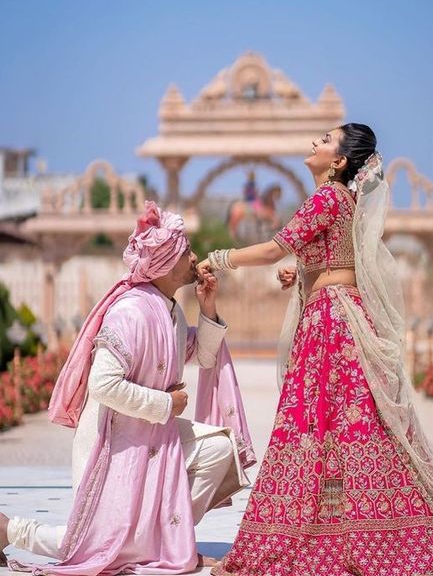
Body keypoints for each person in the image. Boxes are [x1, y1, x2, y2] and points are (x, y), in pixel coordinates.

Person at [198, 123, 433, 575]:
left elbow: (272, 250)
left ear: (339, 162)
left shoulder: (327, 197)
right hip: (339, 315)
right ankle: (385, 537)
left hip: (332, 323)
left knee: (314, 427)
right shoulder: (344, 203)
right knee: (353, 429)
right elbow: (330, 260)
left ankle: (325, 536)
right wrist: (300, 275)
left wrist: (219, 258)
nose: (315, 143)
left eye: (325, 141)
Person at [0, 202, 255, 575]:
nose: (194, 258)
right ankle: (10, 529)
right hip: (113, 442)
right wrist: (164, 403)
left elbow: (201, 356)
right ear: (166, 263)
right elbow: (104, 385)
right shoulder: (131, 312)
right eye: (186, 252)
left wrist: (209, 310)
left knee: (219, 448)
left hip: (152, 435)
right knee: (102, 542)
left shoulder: (169, 310)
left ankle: (167, 538)